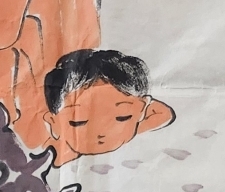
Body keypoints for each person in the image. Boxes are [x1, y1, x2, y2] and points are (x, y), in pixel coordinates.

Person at [41, 49, 175, 166]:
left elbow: (164, 113)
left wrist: (132, 126)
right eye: (78, 122)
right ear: (52, 122)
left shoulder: (133, 144)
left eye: (122, 117)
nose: (100, 132)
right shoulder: (59, 156)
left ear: (142, 110)